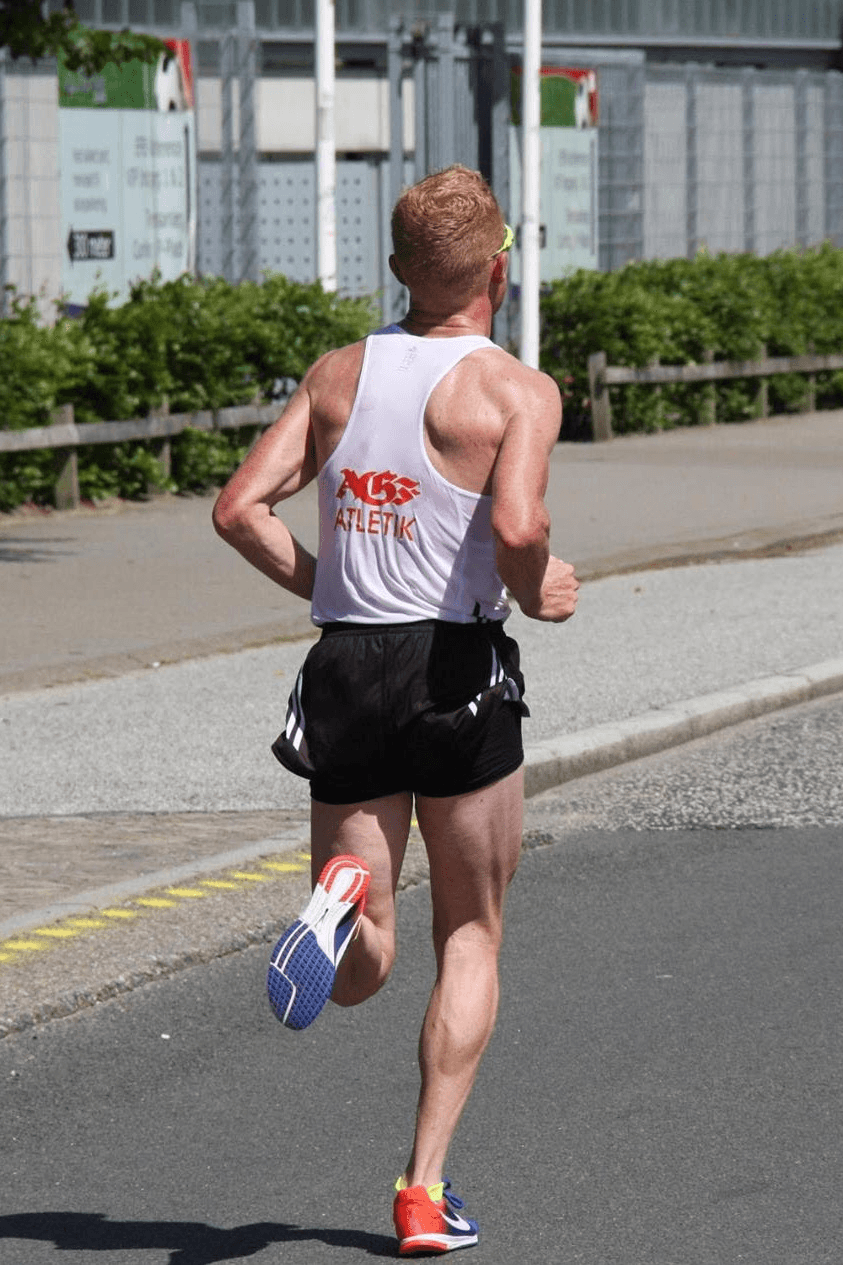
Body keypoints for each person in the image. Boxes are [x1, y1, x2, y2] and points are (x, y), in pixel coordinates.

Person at [212, 163, 579, 1256]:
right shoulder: (515, 390)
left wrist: (327, 582)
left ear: (397, 270)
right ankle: (422, 1190)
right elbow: (515, 531)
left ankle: (337, 899)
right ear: (498, 272)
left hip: (348, 662)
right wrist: (540, 585)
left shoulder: (337, 373)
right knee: (469, 928)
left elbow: (237, 508)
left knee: (367, 949)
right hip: (455, 664)